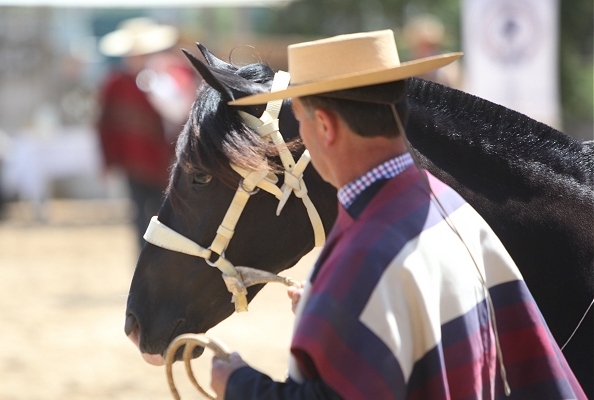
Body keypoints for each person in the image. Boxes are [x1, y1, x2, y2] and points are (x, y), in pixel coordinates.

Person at [210, 30, 585, 399]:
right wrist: (338, 311)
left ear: (324, 126)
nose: (303, 138)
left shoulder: (363, 256)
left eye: (302, 124)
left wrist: (240, 385)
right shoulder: (453, 207)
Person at [96, 18, 195, 249]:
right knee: (140, 215)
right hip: (132, 161)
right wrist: (109, 160)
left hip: (165, 160)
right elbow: (105, 124)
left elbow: (180, 115)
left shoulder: (167, 78)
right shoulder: (114, 83)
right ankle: (144, 264)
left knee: (168, 213)